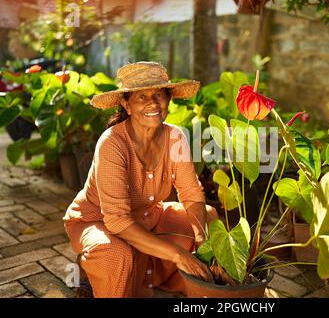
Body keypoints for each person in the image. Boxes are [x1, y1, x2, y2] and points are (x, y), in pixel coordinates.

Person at [63, 61, 216, 298]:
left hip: (148, 215)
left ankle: (144, 269)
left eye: (159, 94)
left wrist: (201, 241)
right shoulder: (112, 143)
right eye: (141, 97)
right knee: (115, 254)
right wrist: (178, 254)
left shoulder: (175, 137)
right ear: (127, 104)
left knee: (205, 219)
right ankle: (91, 270)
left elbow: (191, 193)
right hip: (99, 221)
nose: (153, 102)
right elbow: (117, 221)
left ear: (168, 99)